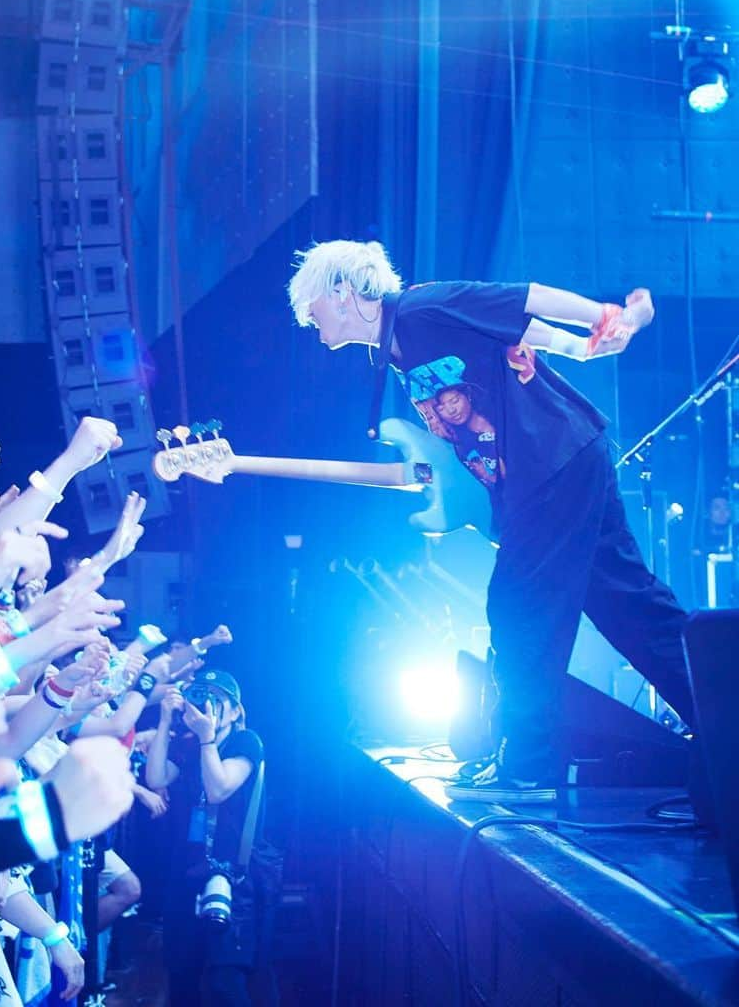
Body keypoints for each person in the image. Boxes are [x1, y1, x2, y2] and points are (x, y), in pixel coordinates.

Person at [288, 240, 695, 803]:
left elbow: (522, 298)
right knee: (626, 602)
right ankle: (725, 713)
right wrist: (586, 346)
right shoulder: (395, 350)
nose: (309, 320)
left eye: (311, 305)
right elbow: (524, 338)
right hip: (557, 466)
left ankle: (527, 767)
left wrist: (604, 316)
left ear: (343, 290)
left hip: (553, 462)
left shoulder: (423, 307)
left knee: (519, 607)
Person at [145, 669, 269, 1006]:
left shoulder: (246, 742)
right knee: (181, 971)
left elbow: (218, 789)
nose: (206, 708)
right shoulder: (187, 745)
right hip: (187, 870)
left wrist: (206, 738)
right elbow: (156, 775)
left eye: (217, 701)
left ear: (234, 712)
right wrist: (165, 720)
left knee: (226, 982)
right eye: (200, 698)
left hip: (233, 874)